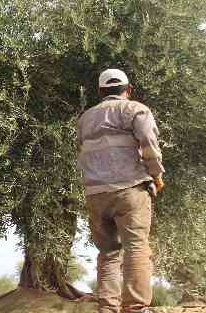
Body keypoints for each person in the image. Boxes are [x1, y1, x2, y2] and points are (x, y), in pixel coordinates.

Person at [77, 69, 165, 313]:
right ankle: (135, 308)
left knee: (108, 253)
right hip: (131, 188)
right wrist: (156, 174)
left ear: (100, 91)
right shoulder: (136, 109)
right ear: (129, 88)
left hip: (96, 194)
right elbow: (149, 143)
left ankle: (107, 308)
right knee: (136, 247)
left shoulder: (85, 118)